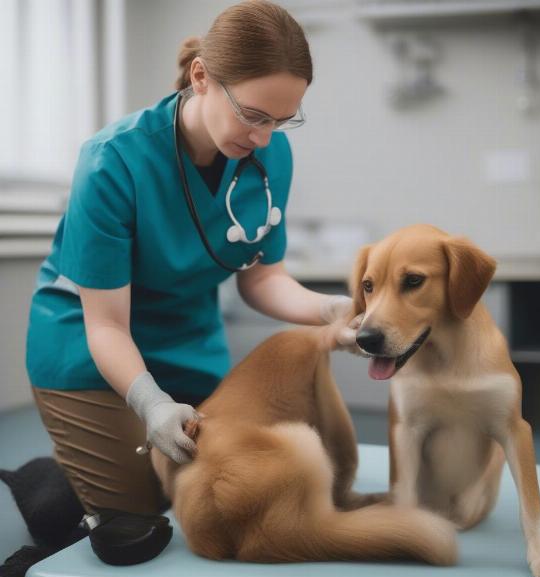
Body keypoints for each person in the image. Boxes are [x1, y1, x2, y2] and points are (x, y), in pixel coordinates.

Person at [25, 0, 357, 516]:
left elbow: (263, 278)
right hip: (89, 347)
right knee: (139, 515)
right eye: (252, 115)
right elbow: (107, 326)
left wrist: (331, 311)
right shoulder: (112, 160)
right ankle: (56, 475)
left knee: (221, 494)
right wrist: (152, 404)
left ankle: (102, 459)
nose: (263, 138)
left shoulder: (269, 155)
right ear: (201, 77)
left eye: (281, 122)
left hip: (189, 344)